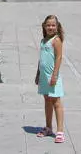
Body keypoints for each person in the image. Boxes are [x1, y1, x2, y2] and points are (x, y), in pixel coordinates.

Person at [35, 15, 65, 143]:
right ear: (44, 26)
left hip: (52, 76)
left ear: (57, 27)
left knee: (56, 102)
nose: (50, 27)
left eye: (53, 25)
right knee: (47, 100)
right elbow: (41, 59)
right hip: (43, 76)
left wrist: (55, 75)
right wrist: (37, 74)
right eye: (48, 25)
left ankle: (60, 132)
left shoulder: (56, 40)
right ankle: (48, 127)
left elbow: (58, 58)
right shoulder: (43, 40)